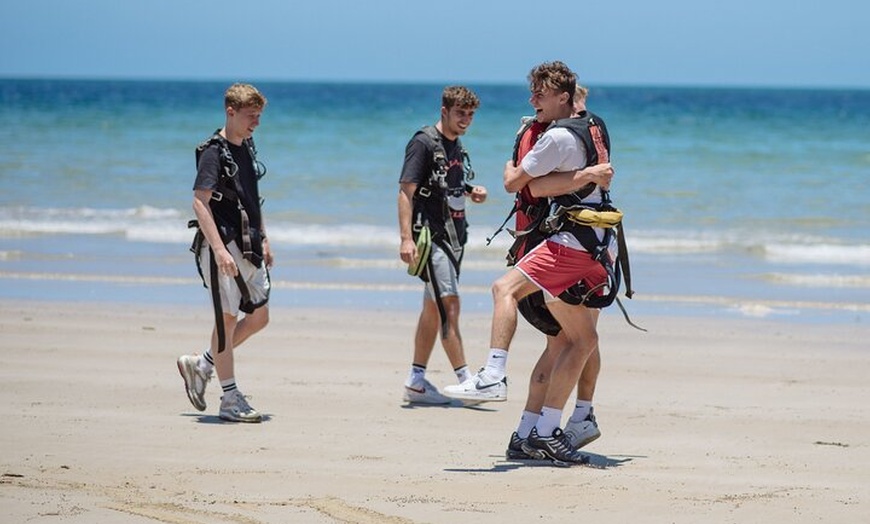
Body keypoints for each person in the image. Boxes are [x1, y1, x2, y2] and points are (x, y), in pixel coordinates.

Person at [444, 62, 616, 464]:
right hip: (598, 244)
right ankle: (536, 432)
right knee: (578, 341)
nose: (532, 100)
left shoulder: (555, 137)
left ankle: (493, 375)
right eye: (533, 92)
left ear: (564, 98)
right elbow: (553, 183)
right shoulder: (596, 126)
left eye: (540, 94)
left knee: (503, 289)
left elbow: (518, 183)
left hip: (571, 243)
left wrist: (513, 171)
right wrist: (583, 175)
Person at [503, 84, 608, 460]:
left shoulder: (545, 133)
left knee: (561, 344)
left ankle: (527, 432)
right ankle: (561, 424)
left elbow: (528, 185)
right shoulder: (572, 133)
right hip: (567, 246)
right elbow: (522, 184)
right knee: (581, 340)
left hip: (543, 241)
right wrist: (588, 176)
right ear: (569, 98)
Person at [177, 83, 273, 423]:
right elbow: (199, 202)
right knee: (227, 319)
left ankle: (202, 363)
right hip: (223, 248)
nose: (256, 123)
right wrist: (219, 251)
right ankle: (230, 398)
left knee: (259, 317)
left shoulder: (246, 146)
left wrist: (264, 238)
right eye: (250, 116)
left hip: (248, 245)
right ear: (230, 112)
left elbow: (251, 199)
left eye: (259, 117)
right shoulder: (212, 152)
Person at [397, 86, 488, 404]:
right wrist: (406, 238)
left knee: (432, 309)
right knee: (450, 305)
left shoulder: (454, 145)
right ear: (444, 111)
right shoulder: (423, 142)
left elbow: (443, 184)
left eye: (470, 115)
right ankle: (466, 380)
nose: (466, 120)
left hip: (454, 238)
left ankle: (416, 381)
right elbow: (406, 191)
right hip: (431, 238)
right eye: (460, 113)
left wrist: (469, 190)